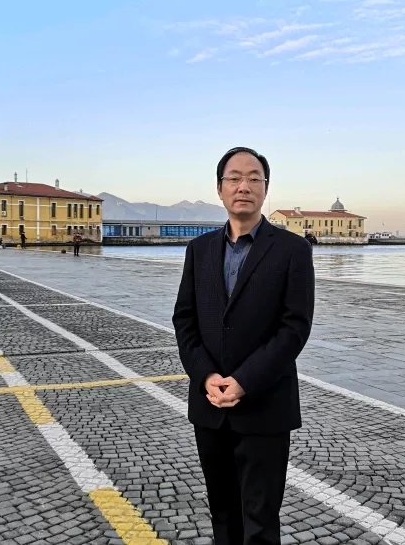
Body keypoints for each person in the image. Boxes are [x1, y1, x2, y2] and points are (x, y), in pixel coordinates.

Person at [172, 147, 315, 545]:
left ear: (266, 189)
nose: (244, 186)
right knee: (222, 514)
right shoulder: (199, 250)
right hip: (210, 407)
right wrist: (206, 376)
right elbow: (185, 321)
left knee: (260, 521)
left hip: (265, 406)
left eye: (254, 178)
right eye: (234, 178)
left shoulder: (293, 250)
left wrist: (245, 381)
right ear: (220, 189)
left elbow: (294, 327)